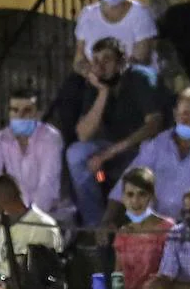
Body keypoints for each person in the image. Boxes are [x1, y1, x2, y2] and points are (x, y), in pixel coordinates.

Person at [105, 87, 190, 225]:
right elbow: (129, 180)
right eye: (185, 113)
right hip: (158, 226)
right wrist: (107, 220)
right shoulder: (158, 144)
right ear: (176, 114)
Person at [66, 38, 165, 228]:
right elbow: (84, 134)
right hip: (115, 150)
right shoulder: (96, 85)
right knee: (76, 153)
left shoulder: (139, 78)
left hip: (145, 149)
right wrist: (103, 92)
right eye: (95, 60)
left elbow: (154, 124)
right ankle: (94, 226)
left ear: (122, 62)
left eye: (106, 60)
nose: (99, 66)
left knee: (143, 150)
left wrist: (106, 155)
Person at [0, 87, 64, 214]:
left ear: (38, 114)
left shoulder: (50, 138)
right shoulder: (3, 137)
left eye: (27, 111)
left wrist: (30, 216)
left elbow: (48, 185)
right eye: (15, 110)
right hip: (18, 210)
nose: (20, 116)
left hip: (51, 211)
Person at [73, 0, 157, 72]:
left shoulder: (140, 13)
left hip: (132, 79)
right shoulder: (87, 14)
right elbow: (79, 58)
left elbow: (141, 58)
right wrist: (90, 73)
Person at [0, 174, 61, 289]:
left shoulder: (41, 224)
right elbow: (2, 269)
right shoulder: (4, 226)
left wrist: (4, 282)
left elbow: (40, 274)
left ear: (1, 198)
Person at [112, 165, 174, 289]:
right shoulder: (123, 233)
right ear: (123, 198)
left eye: (142, 194)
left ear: (151, 196)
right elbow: (118, 275)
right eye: (130, 194)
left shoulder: (167, 229)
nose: (135, 200)